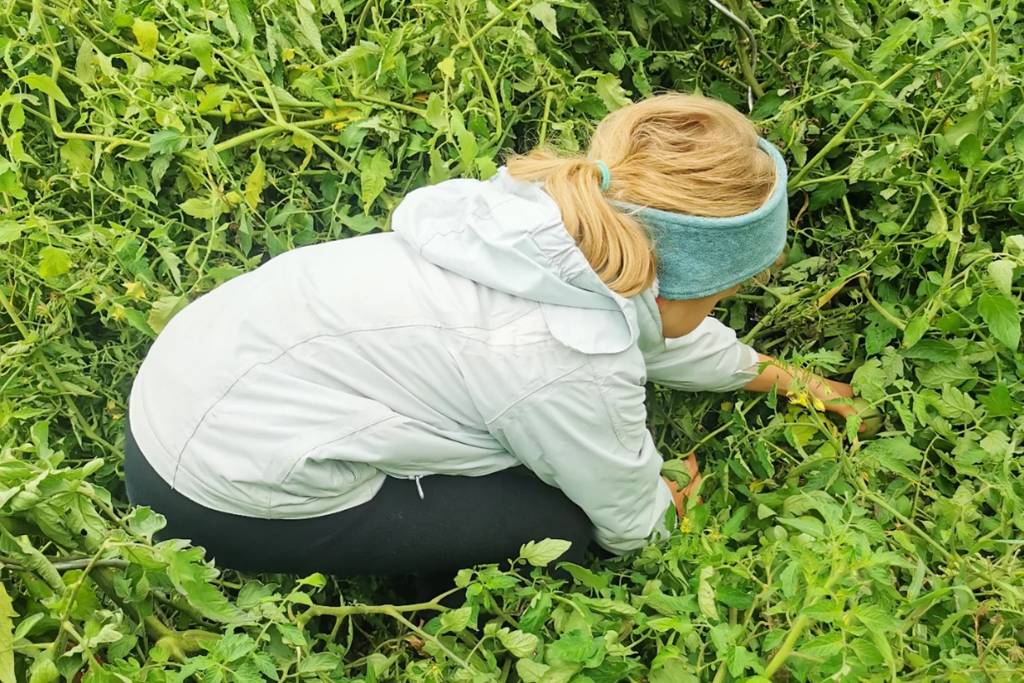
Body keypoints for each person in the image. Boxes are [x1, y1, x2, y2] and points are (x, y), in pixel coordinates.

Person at [124, 93, 864, 579]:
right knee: (560, 528)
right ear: (684, 280)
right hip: (208, 497)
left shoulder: (538, 226)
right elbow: (627, 514)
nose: (718, 311)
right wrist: (666, 507)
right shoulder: (571, 360)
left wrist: (776, 376)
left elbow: (660, 331)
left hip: (188, 383)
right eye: (721, 298)